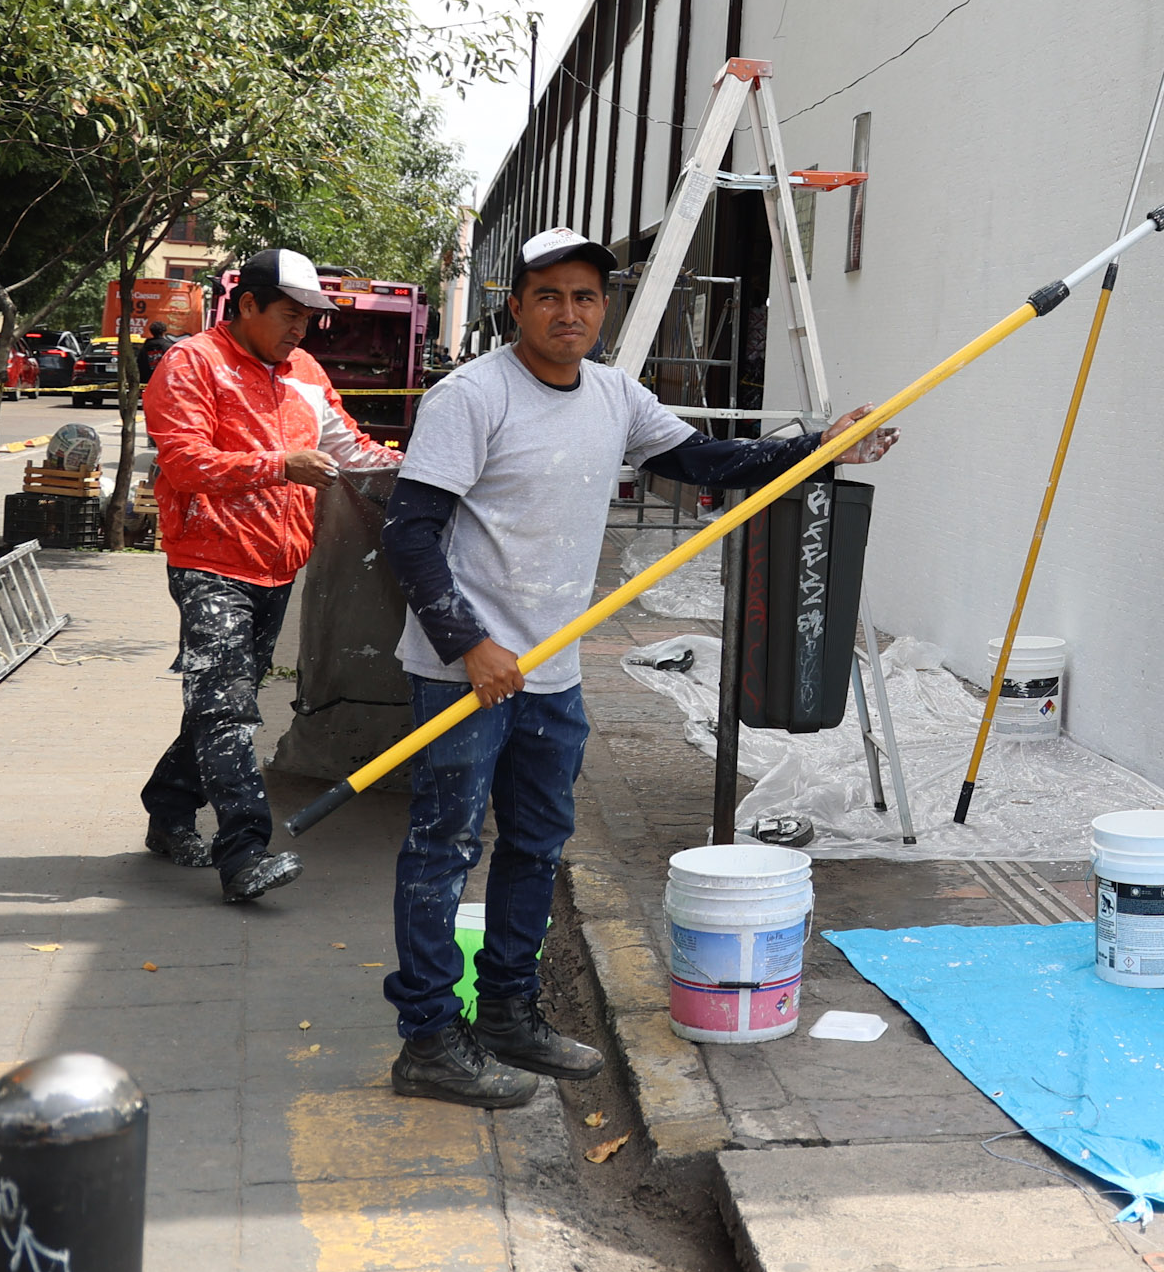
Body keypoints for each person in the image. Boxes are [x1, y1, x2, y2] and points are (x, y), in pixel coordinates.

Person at [378, 226, 895, 1107]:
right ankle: (427, 1038)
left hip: (552, 672)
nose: (567, 312)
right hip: (465, 670)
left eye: (584, 296)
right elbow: (410, 532)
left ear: (604, 308)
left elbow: (705, 461)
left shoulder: (615, 395)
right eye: (548, 296)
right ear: (516, 306)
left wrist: (820, 446)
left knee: (537, 845)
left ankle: (506, 1010)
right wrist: (468, 642)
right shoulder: (471, 396)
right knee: (445, 847)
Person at [140, 248, 397, 901]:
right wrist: (279, 465)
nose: (301, 329)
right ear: (248, 304)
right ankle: (244, 852)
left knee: (221, 702)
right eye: (290, 314)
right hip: (209, 565)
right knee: (228, 707)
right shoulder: (192, 363)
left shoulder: (306, 372)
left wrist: (422, 468)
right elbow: (184, 461)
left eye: (309, 318)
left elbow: (351, 449)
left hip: (278, 568)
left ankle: (168, 805)